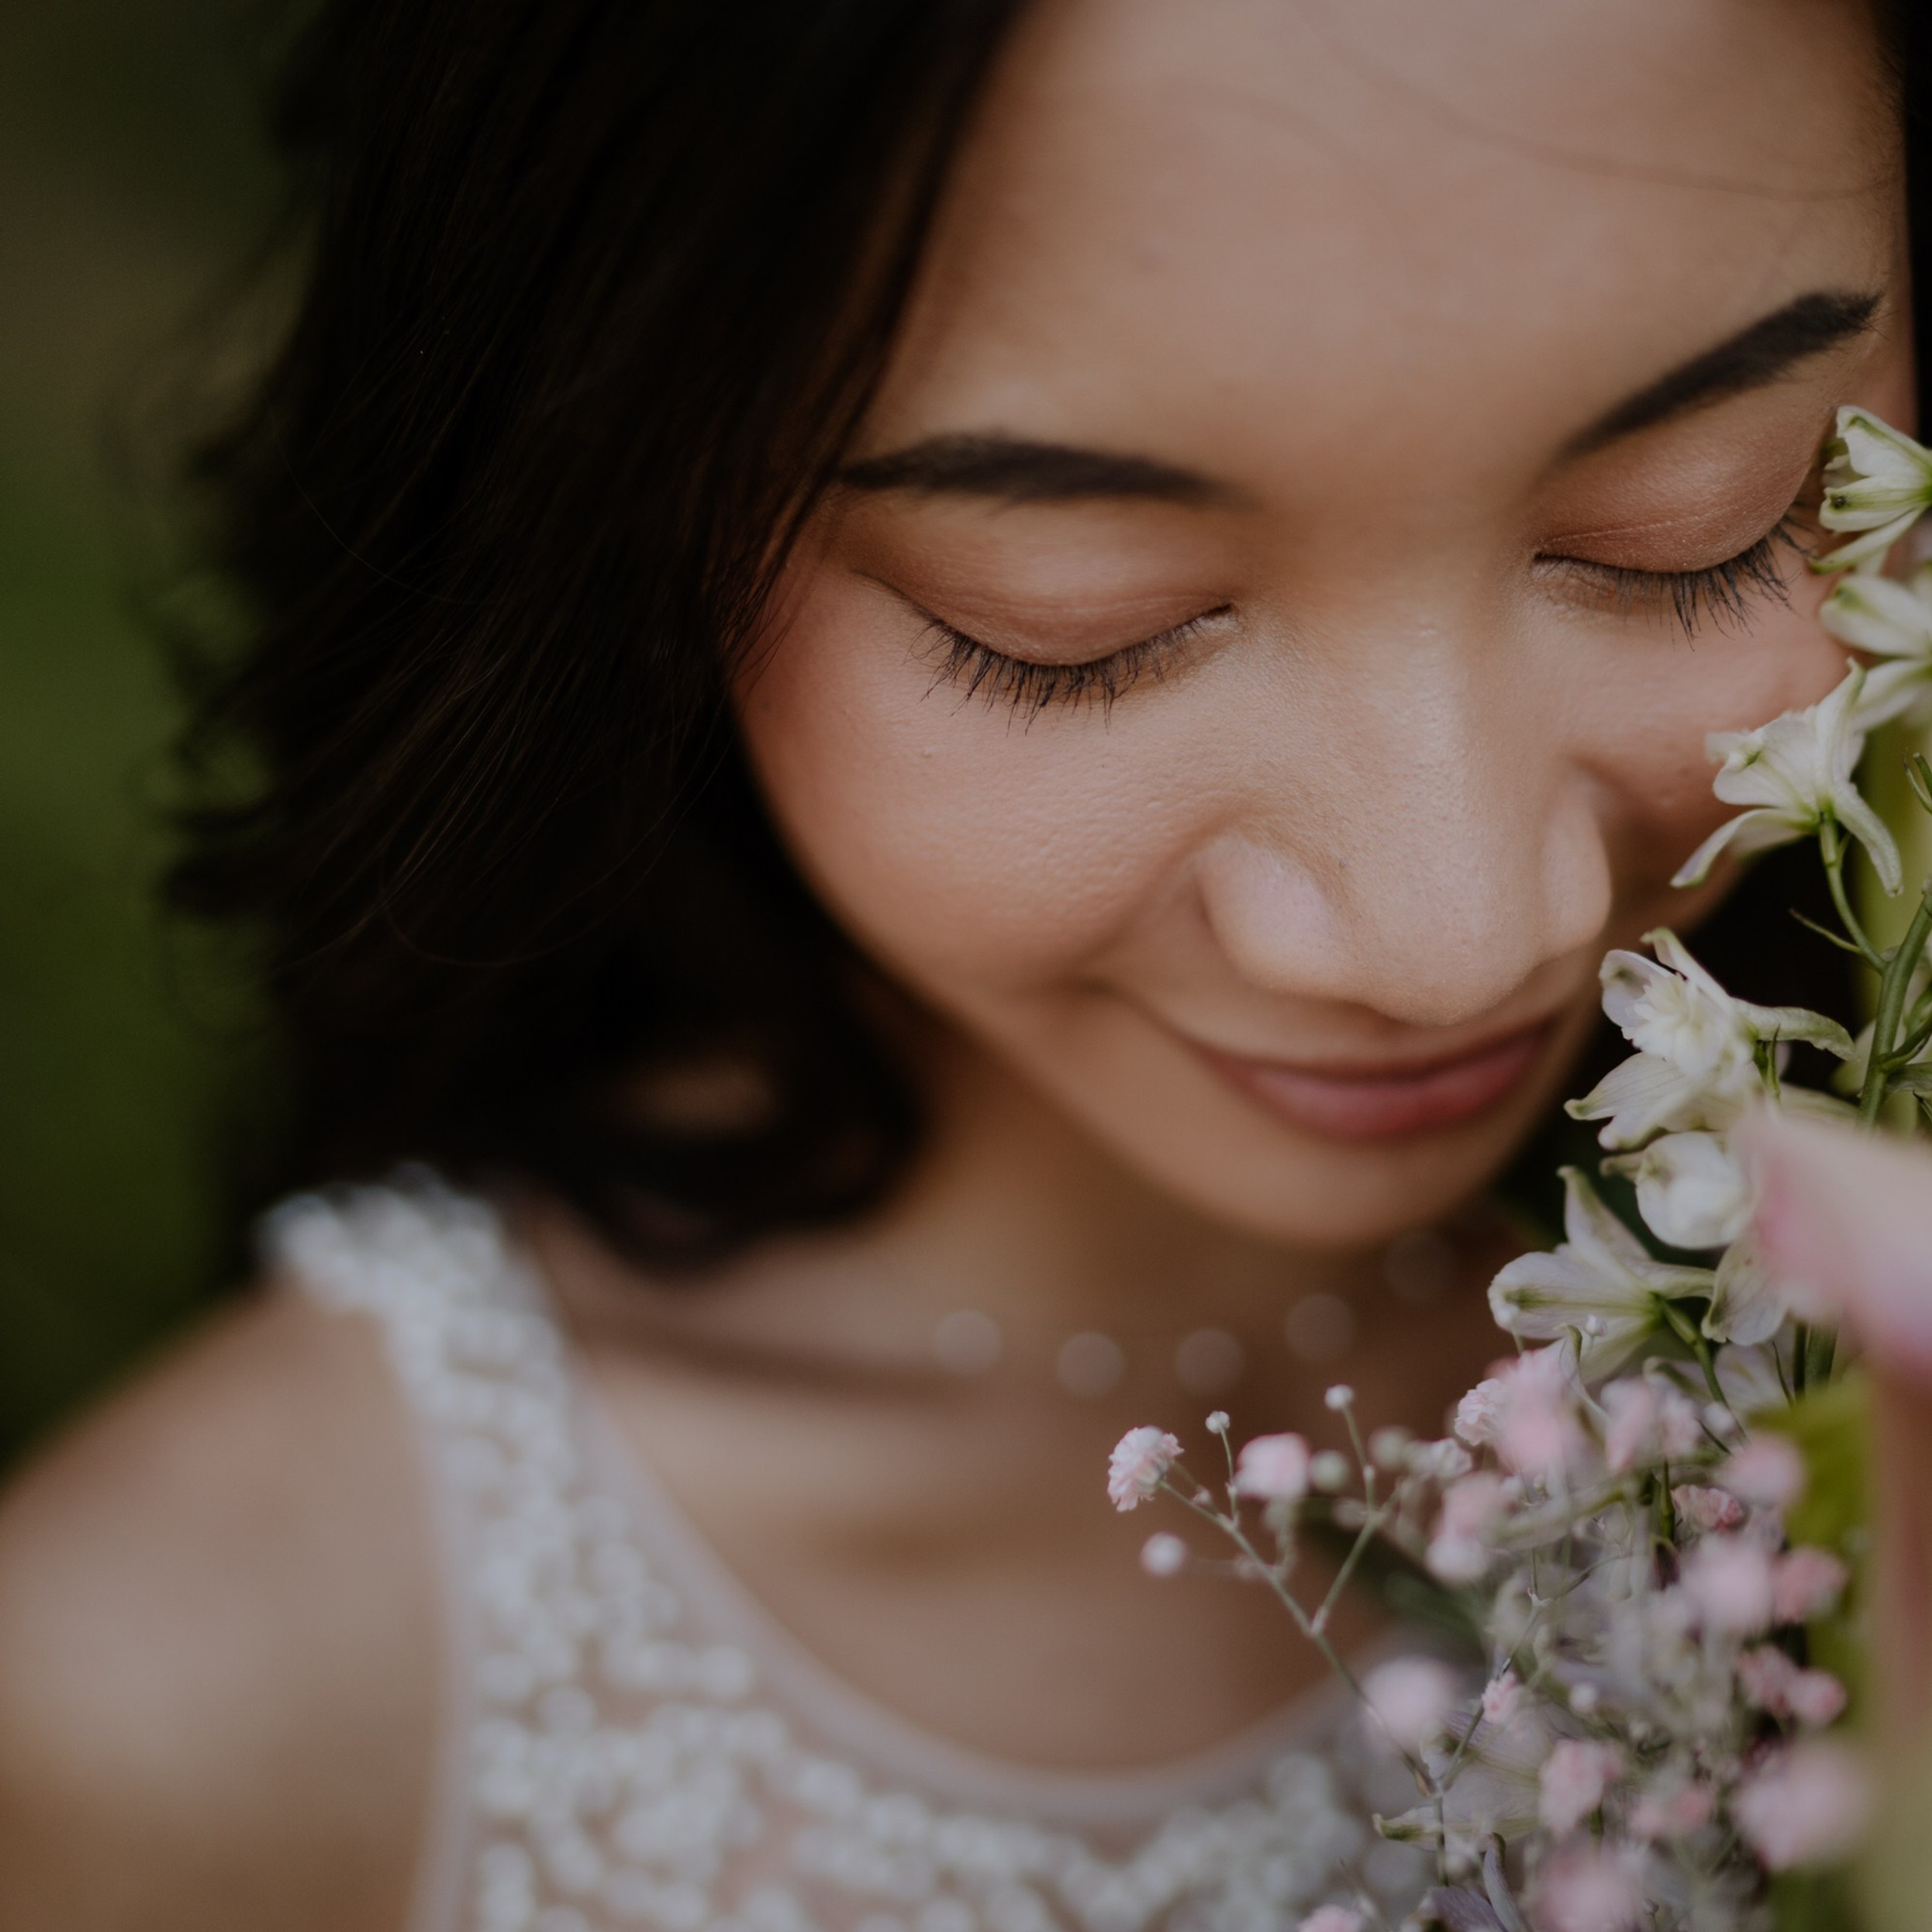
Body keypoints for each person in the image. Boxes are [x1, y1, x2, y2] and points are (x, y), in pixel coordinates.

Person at [0, 2, 1921, 1927]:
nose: (1457, 933)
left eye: (1702, 523)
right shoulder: (184, 1705)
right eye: (1076, 623)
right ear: (614, 487)